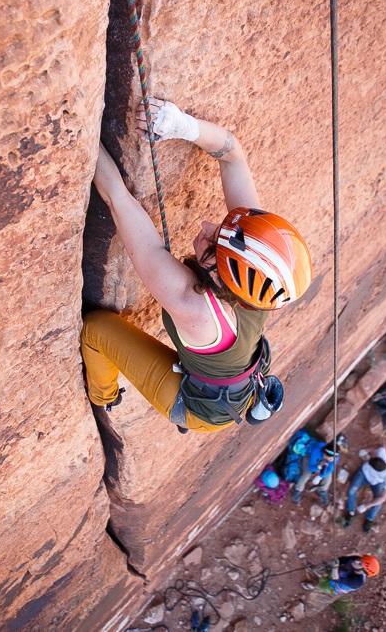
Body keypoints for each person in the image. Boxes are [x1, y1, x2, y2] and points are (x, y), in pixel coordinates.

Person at [81, 99, 313, 433]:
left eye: (213, 240)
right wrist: (183, 126)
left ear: (221, 275)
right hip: (233, 374)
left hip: (202, 408)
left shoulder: (195, 307)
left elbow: (118, 198)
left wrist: (82, 128)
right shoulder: (255, 263)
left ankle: (103, 394)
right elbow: (234, 156)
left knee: (97, 330)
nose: (206, 225)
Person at [342, 445, 386, 532]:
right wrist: (366, 450)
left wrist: (366, 506)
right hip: (364, 473)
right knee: (352, 491)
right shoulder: (381, 454)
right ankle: (351, 512)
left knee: (378, 502)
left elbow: (383, 497)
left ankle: (369, 519)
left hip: (376, 482)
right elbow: (381, 445)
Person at [301, 554, 379, 595]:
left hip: (334, 587)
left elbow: (336, 579)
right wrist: (329, 565)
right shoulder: (354, 559)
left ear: (362, 572)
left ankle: (315, 585)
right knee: (332, 570)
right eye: (360, 560)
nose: (356, 561)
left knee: (326, 582)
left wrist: (334, 567)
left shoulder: (357, 582)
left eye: (359, 564)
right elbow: (341, 560)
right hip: (341, 572)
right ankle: (317, 571)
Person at [292, 440, 340, 506]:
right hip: (309, 456)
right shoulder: (316, 450)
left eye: (332, 459)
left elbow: (331, 468)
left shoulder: (334, 457)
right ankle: (297, 490)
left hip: (322, 460)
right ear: (324, 454)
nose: (331, 460)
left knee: (328, 476)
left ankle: (322, 490)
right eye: (329, 458)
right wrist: (319, 466)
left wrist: (320, 476)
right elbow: (311, 468)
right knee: (306, 474)